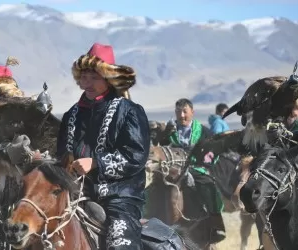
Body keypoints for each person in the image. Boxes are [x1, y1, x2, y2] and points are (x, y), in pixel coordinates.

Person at [56, 42, 150, 249]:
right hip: (76, 194)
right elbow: (61, 154)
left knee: (120, 244)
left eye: (94, 77)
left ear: (108, 79)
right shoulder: (71, 115)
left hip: (120, 197)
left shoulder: (130, 111)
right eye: (83, 77)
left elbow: (136, 156)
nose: (87, 83)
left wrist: (96, 162)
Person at [161, 98, 226, 243]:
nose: (182, 115)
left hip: (197, 168)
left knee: (209, 186)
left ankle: (216, 224)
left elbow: (213, 153)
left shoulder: (204, 132)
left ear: (192, 112)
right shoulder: (170, 131)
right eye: (178, 112)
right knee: (152, 186)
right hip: (172, 169)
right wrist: (164, 134)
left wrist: (203, 162)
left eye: (185, 111)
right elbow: (161, 147)